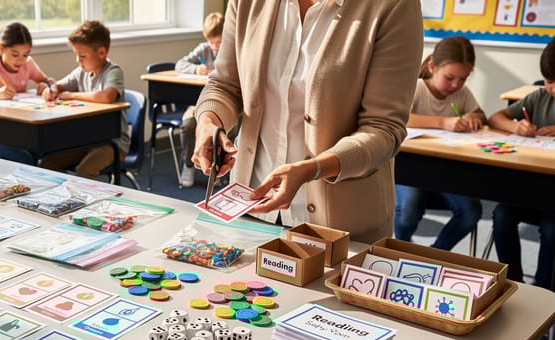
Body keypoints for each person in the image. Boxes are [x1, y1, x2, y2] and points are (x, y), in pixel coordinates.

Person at [191, 0, 423, 243]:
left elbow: (383, 128)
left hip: (339, 224)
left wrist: (314, 168)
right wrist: (209, 121)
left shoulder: (394, 5)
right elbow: (225, 85)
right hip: (249, 208)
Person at [394, 36, 485, 250]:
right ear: (433, 67)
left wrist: (475, 118)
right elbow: (400, 116)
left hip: (447, 174)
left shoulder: (462, 93)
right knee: (409, 208)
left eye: (463, 79)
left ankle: (435, 254)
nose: (456, 85)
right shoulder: (415, 88)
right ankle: (400, 247)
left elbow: (480, 114)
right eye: (450, 77)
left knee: (471, 211)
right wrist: (443, 122)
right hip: (410, 170)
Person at [487, 37, 555, 290]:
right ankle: (514, 282)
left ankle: (544, 288)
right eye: (549, 82)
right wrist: (516, 126)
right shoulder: (538, 98)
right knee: (502, 214)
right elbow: (495, 117)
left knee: (551, 229)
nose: (553, 89)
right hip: (530, 188)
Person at [41, 20, 130, 180]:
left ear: (101, 53)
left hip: (112, 143)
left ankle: (84, 201)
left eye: (82, 56)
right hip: (85, 141)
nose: (78, 60)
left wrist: (71, 95)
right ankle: (64, 197)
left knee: (84, 171)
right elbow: (59, 85)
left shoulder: (114, 71)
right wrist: (51, 90)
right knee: (48, 162)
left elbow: (106, 96)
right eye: (76, 55)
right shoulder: (81, 72)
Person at [175, 12, 224, 187]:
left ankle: (216, 167)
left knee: (222, 129)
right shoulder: (203, 49)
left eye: (219, 42)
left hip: (223, 105)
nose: (215, 46)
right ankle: (188, 165)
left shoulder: (232, 49)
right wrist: (196, 69)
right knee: (188, 125)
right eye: (212, 42)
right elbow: (180, 64)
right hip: (197, 104)